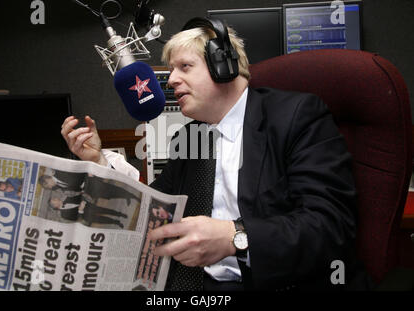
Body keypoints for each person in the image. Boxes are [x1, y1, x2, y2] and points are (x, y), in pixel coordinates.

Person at [61, 18, 372, 291]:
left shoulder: (297, 116)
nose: (169, 81)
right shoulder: (189, 136)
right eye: (171, 71)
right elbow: (152, 208)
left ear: (224, 65)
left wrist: (234, 237)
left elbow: (330, 226)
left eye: (184, 67)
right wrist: (98, 160)